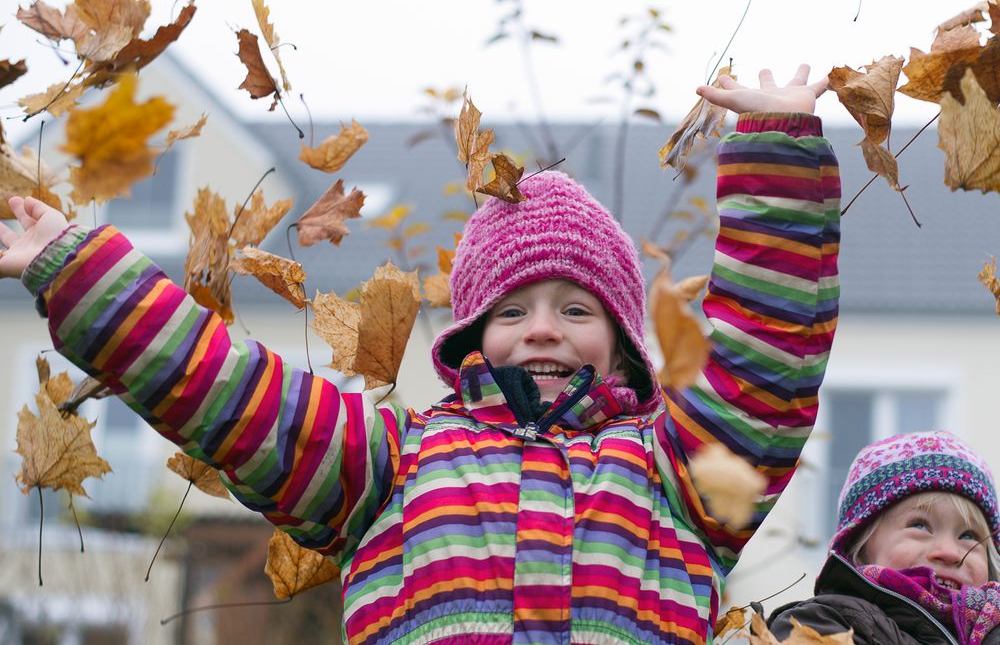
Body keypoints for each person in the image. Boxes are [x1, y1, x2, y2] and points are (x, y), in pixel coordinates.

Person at [0, 65, 837, 645]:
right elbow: (226, 389)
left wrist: (781, 149)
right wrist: (81, 268)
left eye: (576, 308)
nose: (543, 328)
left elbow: (768, 352)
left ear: (621, 345)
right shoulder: (390, 462)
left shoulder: (676, 471)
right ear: (471, 338)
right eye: (513, 310)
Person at [767, 431, 1000, 645]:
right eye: (919, 525)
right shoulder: (820, 624)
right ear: (859, 546)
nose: (950, 552)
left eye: (968, 535)